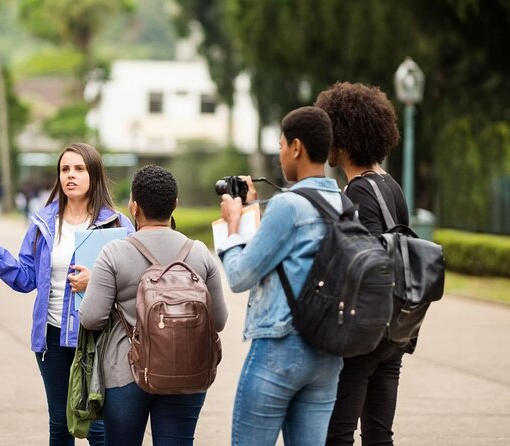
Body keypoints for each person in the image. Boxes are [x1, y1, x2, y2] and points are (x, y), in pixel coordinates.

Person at [0, 142, 134, 446]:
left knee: (97, 426)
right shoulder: (43, 223)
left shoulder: (118, 225)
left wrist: (98, 281)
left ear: (94, 174)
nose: (71, 175)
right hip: (52, 338)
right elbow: (26, 278)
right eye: (65, 169)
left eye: (79, 169)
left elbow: (136, 282)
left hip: (98, 337)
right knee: (59, 423)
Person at [218, 106, 344, 446]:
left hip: (281, 347)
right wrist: (254, 212)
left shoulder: (289, 205)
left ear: (297, 147)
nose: (281, 155)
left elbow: (240, 275)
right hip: (328, 355)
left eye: (281, 146)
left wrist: (233, 224)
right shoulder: (345, 204)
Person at [79, 165, 228, 446]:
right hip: (188, 371)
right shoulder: (199, 253)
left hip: (126, 373)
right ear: (175, 205)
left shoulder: (114, 253)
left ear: (134, 207)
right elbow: (218, 321)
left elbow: (90, 318)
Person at [315, 81, 409, 446]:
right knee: (378, 435)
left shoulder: (358, 192)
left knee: (337, 434)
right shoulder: (391, 185)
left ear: (342, 138)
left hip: (367, 332)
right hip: (394, 330)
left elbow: (366, 261)